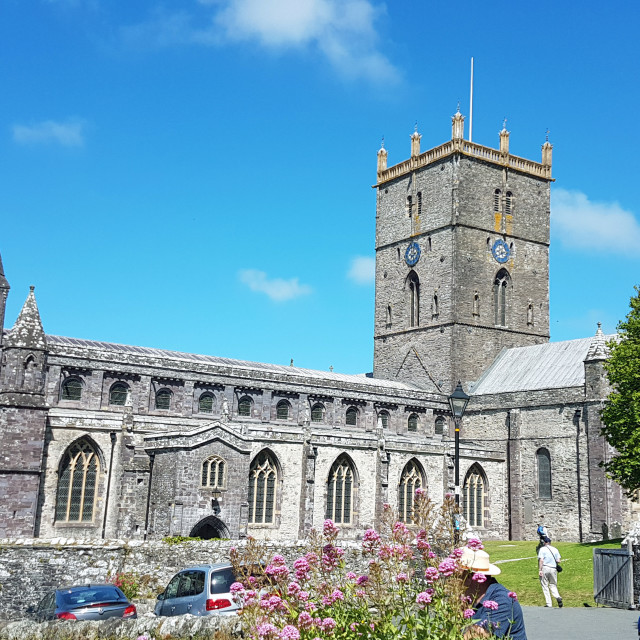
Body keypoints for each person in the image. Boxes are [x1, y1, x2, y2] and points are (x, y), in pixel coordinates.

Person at [460, 545, 527, 639]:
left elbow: (475, 637)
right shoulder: (469, 598)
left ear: (470, 578)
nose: (451, 580)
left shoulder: (501, 600)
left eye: (456, 575)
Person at [538, 536, 563, 608]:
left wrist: (540, 570)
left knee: (545, 585)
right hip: (553, 569)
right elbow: (558, 560)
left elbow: (541, 560)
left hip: (545, 568)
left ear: (544, 543)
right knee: (553, 584)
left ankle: (549, 603)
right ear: (550, 543)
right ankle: (557, 596)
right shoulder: (555, 549)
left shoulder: (542, 549)